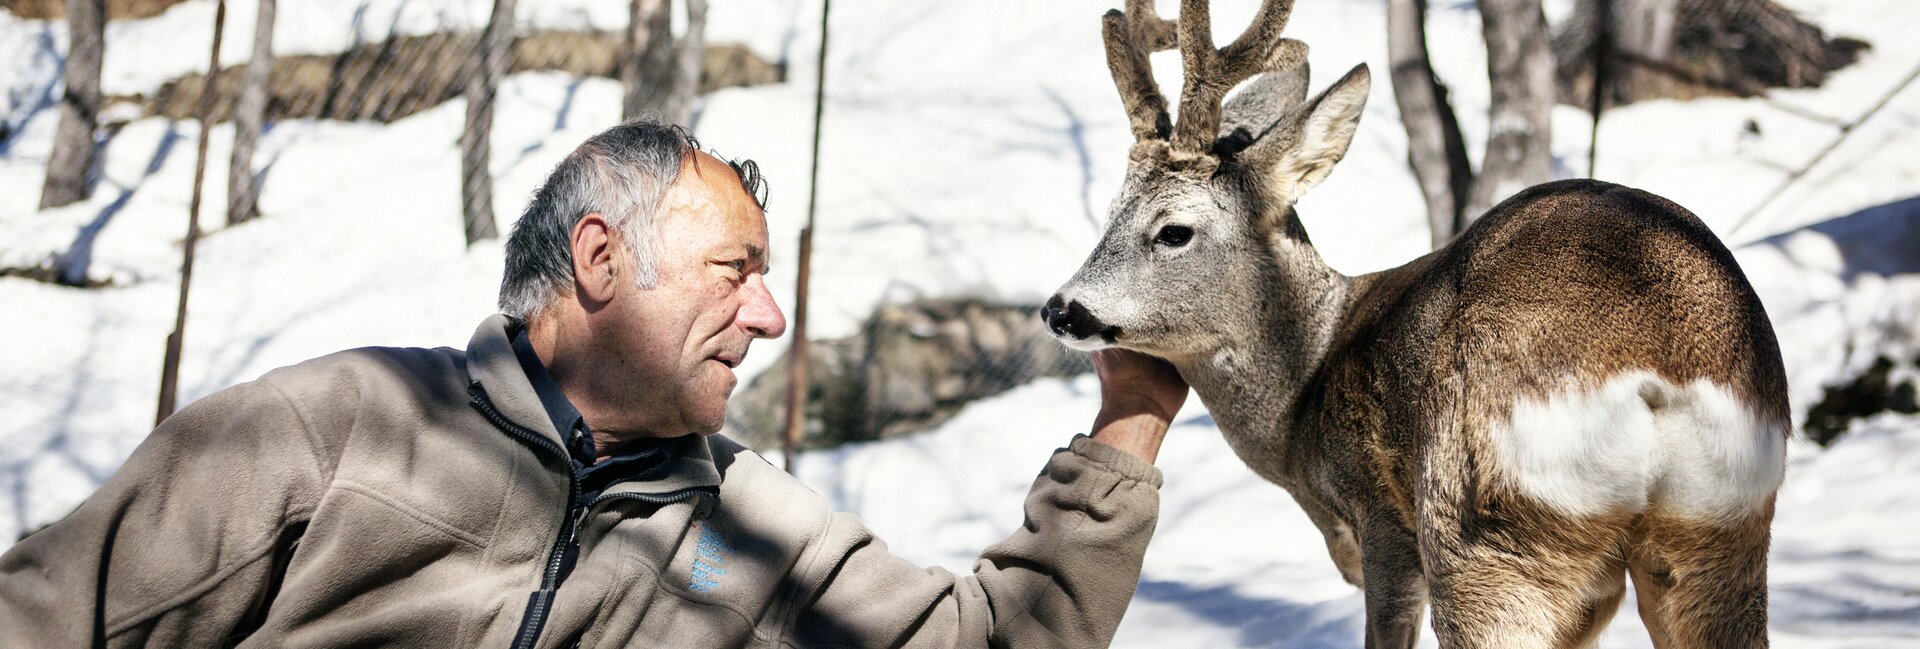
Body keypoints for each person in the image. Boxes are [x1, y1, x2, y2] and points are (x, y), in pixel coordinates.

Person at [0, 120, 1189, 648]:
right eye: (737, 271)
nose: (771, 314)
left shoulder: (754, 529)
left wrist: (1130, 422)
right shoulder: (329, 429)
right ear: (602, 260)